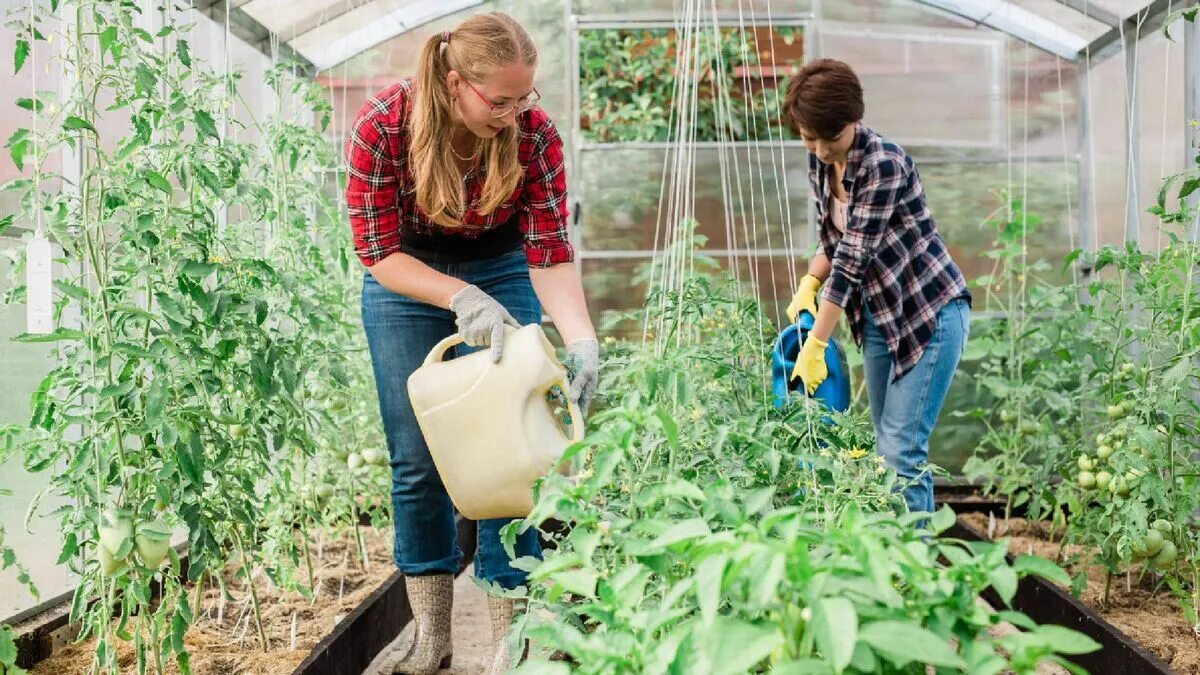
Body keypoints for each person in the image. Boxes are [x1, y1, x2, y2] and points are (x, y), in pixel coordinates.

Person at [344, 12, 598, 675]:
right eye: (500, 100)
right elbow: (376, 250)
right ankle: (432, 637)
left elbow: (548, 250)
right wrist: (455, 295)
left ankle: (506, 643)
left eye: (525, 98)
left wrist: (582, 339)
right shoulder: (383, 127)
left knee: (511, 454)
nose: (515, 114)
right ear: (455, 82)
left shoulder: (533, 137)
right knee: (416, 457)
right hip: (404, 275)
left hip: (503, 265)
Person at [781, 59, 971, 516]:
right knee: (884, 450)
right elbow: (834, 243)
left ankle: (918, 579)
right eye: (810, 137)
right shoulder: (821, 163)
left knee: (901, 454)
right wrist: (810, 279)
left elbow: (852, 260)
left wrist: (817, 344)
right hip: (879, 318)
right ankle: (891, 570)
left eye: (832, 137)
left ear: (854, 121)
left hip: (928, 315)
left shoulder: (883, 163)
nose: (822, 150)